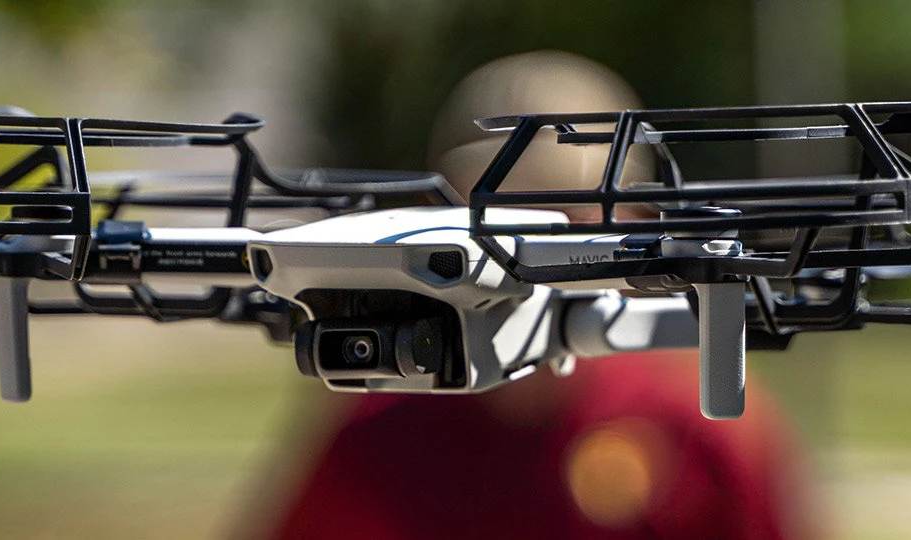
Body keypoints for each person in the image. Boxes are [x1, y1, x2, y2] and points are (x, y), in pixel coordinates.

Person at [267, 51, 810, 539]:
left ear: (640, 225)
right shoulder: (378, 439)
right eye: (499, 218)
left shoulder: (700, 422)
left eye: (565, 217)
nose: (527, 250)